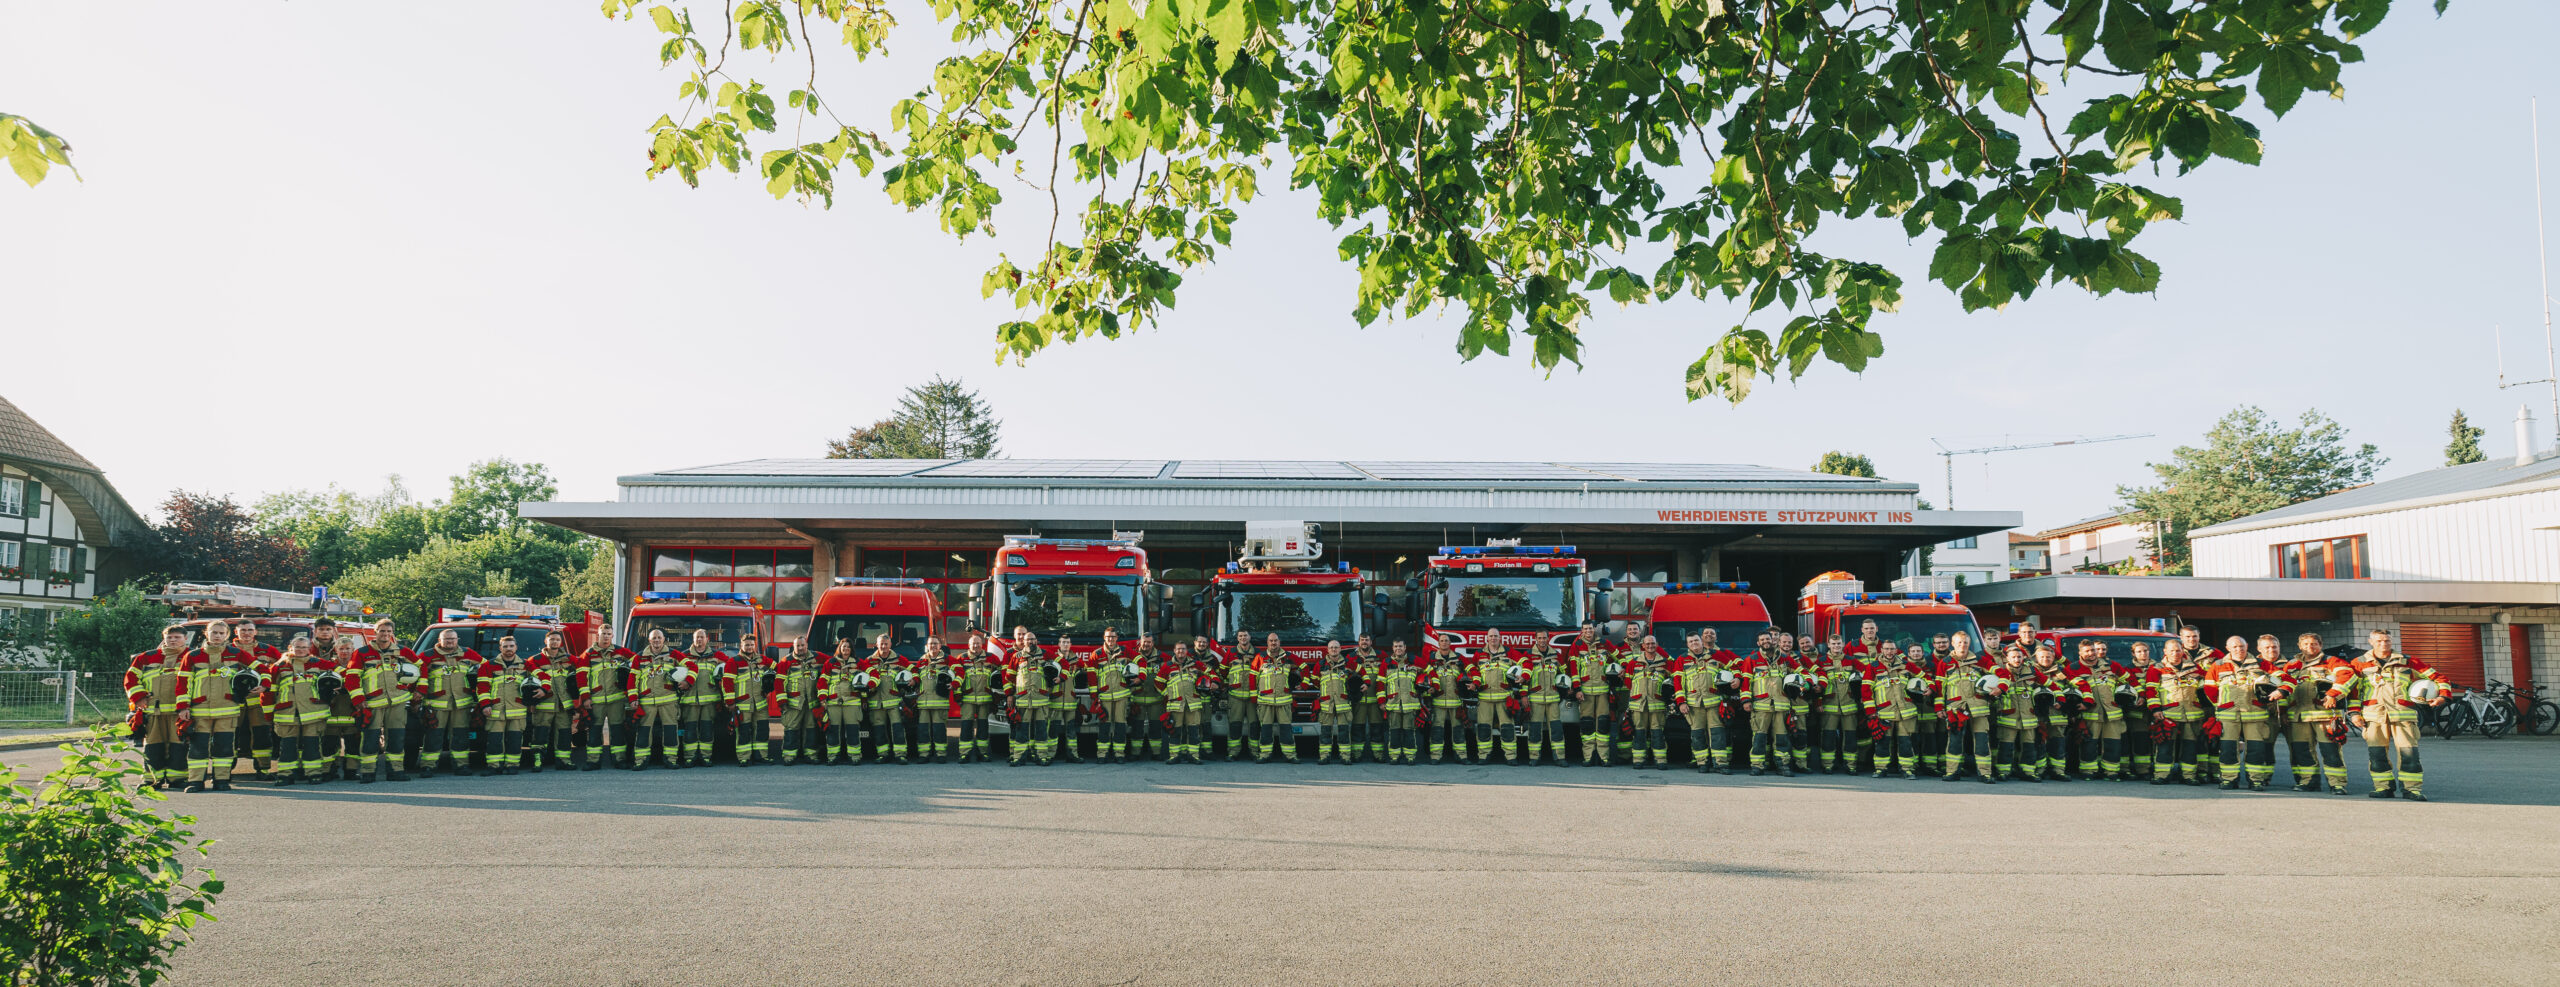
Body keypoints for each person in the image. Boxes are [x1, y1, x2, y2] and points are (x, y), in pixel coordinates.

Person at [2353, 629, 2445, 801]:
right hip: (2373, 716)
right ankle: (2383, 787)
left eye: (2387, 640)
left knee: (2409, 753)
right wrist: (2354, 713)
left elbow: (2438, 678)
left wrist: (2441, 696)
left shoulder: (2408, 661)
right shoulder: (2359, 663)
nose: (2383, 644)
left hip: (2403, 716)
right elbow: (2352, 691)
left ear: (2391, 641)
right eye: (2379, 641)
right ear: (2370, 642)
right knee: (2377, 754)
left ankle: (2412, 789)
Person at [179, 621, 253, 792]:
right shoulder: (192, 655)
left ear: (227, 635)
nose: (217, 636)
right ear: (206, 633)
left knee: (225, 747)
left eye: (221, 633)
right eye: (214, 632)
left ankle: (221, 780)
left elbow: (261, 669)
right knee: (198, 748)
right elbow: (183, 683)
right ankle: (196, 781)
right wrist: (183, 707)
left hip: (227, 709)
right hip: (200, 710)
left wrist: (261, 685)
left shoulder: (236, 653)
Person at [2202, 634, 2279, 791]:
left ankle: (2256, 780)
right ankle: (2229, 779)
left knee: (2256, 749)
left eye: (2241, 646)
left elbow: (2283, 679)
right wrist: (2222, 704)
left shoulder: (2261, 664)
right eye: (2235, 647)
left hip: (2255, 715)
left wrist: (2280, 692)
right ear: (2228, 648)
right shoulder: (2217, 665)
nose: (2239, 649)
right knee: (2228, 749)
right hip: (2228, 716)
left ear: (2247, 647)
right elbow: (2209, 689)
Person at [2281, 633, 2357, 794]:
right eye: (2306, 644)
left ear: (2320, 645)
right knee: (2303, 751)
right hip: (2299, 716)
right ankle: (2308, 782)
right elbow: (2285, 687)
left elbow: (2348, 676)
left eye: (2314, 644)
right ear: (2300, 646)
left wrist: (2332, 694)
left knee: (2330, 751)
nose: (2310, 647)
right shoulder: (2292, 665)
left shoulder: (2332, 661)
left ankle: (2337, 784)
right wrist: (2283, 711)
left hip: (2325, 714)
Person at [341, 623, 416, 783]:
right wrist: (359, 699)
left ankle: (396, 771)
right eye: (382, 631)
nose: (385, 634)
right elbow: (351, 678)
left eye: (389, 631)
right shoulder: (362, 653)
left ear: (392, 633)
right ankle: (368, 772)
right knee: (370, 738)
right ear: (375, 632)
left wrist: (419, 690)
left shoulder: (402, 651)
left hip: (398, 701)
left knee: (396, 737)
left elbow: (420, 668)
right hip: (372, 703)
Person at [262, 634, 337, 786]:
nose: (301, 650)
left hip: (313, 711)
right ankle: (285, 775)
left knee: (312, 745)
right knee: (287, 746)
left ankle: (314, 774)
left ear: (309, 649)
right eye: (298, 647)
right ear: (291, 648)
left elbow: (340, 672)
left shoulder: (319, 663)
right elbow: (269, 692)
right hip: (287, 712)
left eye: (304, 647)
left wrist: (338, 684)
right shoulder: (279, 666)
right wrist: (269, 715)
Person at [417, 629, 481, 776]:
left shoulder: (468, 653)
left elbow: (486, 667)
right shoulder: (427, 656)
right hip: (436, 704)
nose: (450, 642)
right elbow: (416, 675)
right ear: (439, 640)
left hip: (462, 704)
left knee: (460, 736)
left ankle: (461, 765)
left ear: (457, 639)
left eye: (452, 639)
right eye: (446, 639)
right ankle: (428, 766)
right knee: (434, 736)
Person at [2064, 640, 2130, 781]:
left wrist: (2136, 696)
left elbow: (2129, 681)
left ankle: (2111, 772)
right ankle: (2088, 771)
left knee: (2113, 744)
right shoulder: (2073, 668)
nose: (2091, 653)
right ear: (2080, 653)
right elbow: (2070, 689)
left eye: (2093, 650)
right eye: (2087, 651)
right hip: (2090, 713)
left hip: (2113, 713)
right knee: (2089, 744)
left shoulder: (2112, 666)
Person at [1935, 632, 1996, 783]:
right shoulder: (1945, 662)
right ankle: (1952, 772)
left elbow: (2001, 674)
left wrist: (2000, 688)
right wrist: (1939, 708)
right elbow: (1939, 687)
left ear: (1970, 644)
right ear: (1953, 644)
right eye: (1960, 642)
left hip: (1979, 708)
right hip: (1956, 709)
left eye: (1966, 643)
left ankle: (1985, 774)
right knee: (1955, 741)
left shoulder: (1980, 660)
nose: (1963, 645)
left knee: (1982, 741)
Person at [2147, 641, 2210, 785]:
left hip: (2193, 714)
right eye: (2172, 651)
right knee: (2165, 747)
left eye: (2178, 650)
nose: (2175, 653)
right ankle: (2161, 775)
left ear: (2183, 651)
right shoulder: (2156, 669)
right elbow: (2151, 691)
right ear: (2165, 651)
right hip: (2168, 715)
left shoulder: (2194, 668)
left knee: (2190, 747)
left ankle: (2188, 776)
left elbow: (2208, 683)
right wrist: (2155, 709)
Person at [1861, 643, 1927, 779]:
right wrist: (1870, 711)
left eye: (1892, 649)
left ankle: (1907, 769)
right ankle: (1880, 769)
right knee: (1883, 742)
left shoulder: (1906, 665)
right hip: (1884, 711)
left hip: (1906, 711)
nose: (1889, 652)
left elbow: (1925, 677)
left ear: (1896, 650)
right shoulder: (1873, 666)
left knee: (1906, 742)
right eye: (1886, 649)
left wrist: (1929, 688)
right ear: (1882, 650)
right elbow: (1866, 690)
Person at [629, 630, 689, 770]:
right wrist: (633, 698)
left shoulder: (674, 654)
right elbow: (632, 679)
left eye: (659, 638)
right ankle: (641, 760)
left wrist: (688, 682)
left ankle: (671, 760)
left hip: (668, 700)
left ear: (664, 640)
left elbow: (692, 667)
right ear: (649, 641)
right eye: (654, 638)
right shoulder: (639, 657)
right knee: (643, 732)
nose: (656, 640)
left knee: (670, 731)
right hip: (646, 701)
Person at [474, 635, 532, 776]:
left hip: (518, 709)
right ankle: (494, 766)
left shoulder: (526, 665)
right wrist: (485, 705)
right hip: (495, 709)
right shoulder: (488, 665)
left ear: (516, 647)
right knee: (494, 740)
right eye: (505, 646)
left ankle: (512, 765)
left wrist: (533, 700)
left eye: (511, 646)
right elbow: (482, 687)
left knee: (515, 739)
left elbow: (539, 680)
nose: (508, 649)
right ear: (500, 648)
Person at [1737, 632, 1793, 776]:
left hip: (1781, 705)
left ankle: (1783, 766)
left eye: (1767, 639)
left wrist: (1806, 684)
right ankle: (1757, 766)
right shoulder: (1752, 659)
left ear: (1773, 640)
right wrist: (1746, 700)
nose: (1765, 641)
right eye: (1762, 640)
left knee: (1781, 738)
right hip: (1760, 706)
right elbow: (1745, 683)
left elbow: (1801, 671)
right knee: (1759, 738)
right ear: (1758, 643)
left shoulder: (1784, 658)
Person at [579, 628, 636, 770]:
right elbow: (581, 677)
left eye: (609, 634)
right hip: (596, 700)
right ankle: (593, 761)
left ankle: (619, 760)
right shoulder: (588, 654)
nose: (606, 637)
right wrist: (586, 698)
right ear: (598, 635)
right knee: (594, 731)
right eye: (603, 634)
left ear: (612, 635)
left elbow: (638, 661)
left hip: (616, 699)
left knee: (617, 731)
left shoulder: (620, 651)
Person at [231, 621, 281, 778]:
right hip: (232, 700)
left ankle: (263, 769)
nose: (246, 633)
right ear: (235, 632)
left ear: (255, 632)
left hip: (259, 700)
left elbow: (281, 670)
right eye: (243, 630)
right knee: (230, 735)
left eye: (250, 630)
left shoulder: (268, 650)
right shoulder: (227, 650)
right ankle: (224, 770)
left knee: (261, 734)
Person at [523, 631, 578, 772]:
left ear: (561, 642)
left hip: (563, 705)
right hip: (543, 704)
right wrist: (531, 704)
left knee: (564, 734)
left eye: (557, 639)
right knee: (540, 734)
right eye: (552, 639)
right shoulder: (534, 660)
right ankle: (537, 761)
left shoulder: (569, 659)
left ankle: (564, 761)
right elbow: (528, 683)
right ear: (545, 641)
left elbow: (582, 673)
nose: (554, 642)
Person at [1673, 633, 1727, 774]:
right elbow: (1678, 683)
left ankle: (1720, 764)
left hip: (1714, 703)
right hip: (1693, 704)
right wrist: (1681, 702)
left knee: (1717, 734)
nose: (1694, 643)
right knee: (1697, 735)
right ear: (1687, 645)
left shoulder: (1716, 656)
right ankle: (1702, 763)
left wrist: (1737, 679)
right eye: (1690, 641)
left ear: (1702, 641)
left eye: (1696, 640)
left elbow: (1734, 667)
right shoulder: (1681, 660)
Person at [1814, 635, 1866, 774]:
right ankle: (1827, 765)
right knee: (1828, 737)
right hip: (1828, 706)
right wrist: (1818, 702)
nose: (1836, 646)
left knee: (1850, 737)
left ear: (1843, 644)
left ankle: (1851, 766)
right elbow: (1817, 684)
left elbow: (1867, 675)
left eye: (1838, 643)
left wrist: (1862, 696)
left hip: (1849, 705)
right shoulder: (1821, 661)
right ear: (1828, 645)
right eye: (1833, 644)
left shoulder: (1851, 660)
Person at [723, 633, 775, 766]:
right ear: (741, 645)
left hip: (760, 703)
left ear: (755, 645)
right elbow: (727, 683)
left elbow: (778, 669)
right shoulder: (733, 661)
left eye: (752, 645)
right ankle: (744, 758)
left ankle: (761, 756)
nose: (749, 647)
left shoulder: (763, 660)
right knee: (743, 731)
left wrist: (770, 684)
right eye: (747, 644)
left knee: (762, 730)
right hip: (743, 704)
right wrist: (730, 703)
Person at [677, 629, 725, 767]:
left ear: (707, 639)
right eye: (697, 637)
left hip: (709, 701)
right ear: (693, 639)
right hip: (689, 700)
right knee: (690, 730)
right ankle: (689, 758)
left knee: (707, 730)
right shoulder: (684, 656)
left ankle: (706, 757)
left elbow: (730, 667)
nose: (699, 640)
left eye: (701, 637)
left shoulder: (717, 655)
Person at [774, 637, 825, 765]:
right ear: (794, 647)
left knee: (811, 729)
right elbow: (779, 682)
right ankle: (789, 756)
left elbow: (834, 662)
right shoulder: (786, 661)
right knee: (791, 728)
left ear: (807, 645)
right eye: (798, 646)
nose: (801, 648)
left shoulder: (818, 657)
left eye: (803, 645)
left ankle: (811, 755)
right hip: (793, 702)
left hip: (812, 702)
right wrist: (782, 701)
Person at [821, 637, 870, 766]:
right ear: (839, 648)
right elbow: (822, 682)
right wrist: (822, 699)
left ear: (851, 649)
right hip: (833, 702)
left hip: (852, 702)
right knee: (833, 731)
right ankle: (832, 757)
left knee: (853, 731)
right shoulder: (830, 663)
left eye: (848, 647)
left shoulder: (859, 663)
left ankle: (854, 756)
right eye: (844, 647)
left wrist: (865, 694)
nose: (846, 649)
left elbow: (870, 677)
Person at [954, 634, 1002, 764]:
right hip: (967, 700)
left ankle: (983, 753)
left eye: (978, 643)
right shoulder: (961, 658)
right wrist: (957, 695)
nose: (976, 646)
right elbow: (955, 677)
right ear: (968, 645)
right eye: (973, 643)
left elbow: (1001, 673)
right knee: (966, 727)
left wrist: (997, 695)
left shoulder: (991, 658)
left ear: (982, 644)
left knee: (983, 728)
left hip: (985, 700)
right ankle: (965, 754)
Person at [1519, 637, 1568, 765]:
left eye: (1544, 638)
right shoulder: (1528, 655)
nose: (1542, 640)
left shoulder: (1556, 655)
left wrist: (1568, 685)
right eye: (1539, 638)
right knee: (1535, 729)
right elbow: (1524, 677)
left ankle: (1560, 757)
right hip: (1535, 698)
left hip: (1553, 699)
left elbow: (1565, 672)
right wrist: (1524, 695)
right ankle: (1534, 758)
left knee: (1556, 729)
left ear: (1548, 639)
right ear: (1536, 639)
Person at [1008, 631, 1054, 766]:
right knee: (1021, 731)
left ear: (1036, 640)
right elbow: (1009, 677)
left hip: (1041, 700)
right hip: (1023, 700)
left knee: (1041, 731)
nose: (1030, 642)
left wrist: (1059, 678)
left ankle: (1042, 757)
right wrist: (1010, 694)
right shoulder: (1016, 656)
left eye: (1032, 639)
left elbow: (1062, 665)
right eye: (1028, 640)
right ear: (1023, 642)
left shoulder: (1046, 654)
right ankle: (1019, 757)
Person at [1253, 633, 1296, 763]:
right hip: (1265, 701)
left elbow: (1304, 668)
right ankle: (1265, 755)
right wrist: (1253, 695)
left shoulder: (1289, 657)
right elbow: (1252, 676)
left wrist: (1303, 684)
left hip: (1284, 701)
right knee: (1265, 729)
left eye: (1275, 640)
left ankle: (1290, 755)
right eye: (1271, 641)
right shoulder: (1260, 657)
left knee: (1286, 729)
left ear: (1279, 642)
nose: (1273, 643)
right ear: (1267, 643)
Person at [1161, 642, 1206, 764]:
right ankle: (1174, 756)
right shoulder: (1167, 666)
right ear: (1174, 651)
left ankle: (1194, 756)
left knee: (1193, 731)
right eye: (1178, 649)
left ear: (1187, 651)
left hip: (1193, 704)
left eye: (1183, 649)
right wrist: (1167, 694)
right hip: (1176, 705)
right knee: (1175, 732)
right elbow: (1158, 682)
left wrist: (1213, 683)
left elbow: (1210, 673)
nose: (1181, 651)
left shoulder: (1196, 665)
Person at [1381, 640, 1423, 765]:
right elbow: (1380, 684)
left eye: (1400, 646)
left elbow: (1429, 672)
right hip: (1393, 704)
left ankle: (1410, 757)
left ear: (1405, 647)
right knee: (1394, 732)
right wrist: (1381, 702)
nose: (1398, 648)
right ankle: (1394, 756)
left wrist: (1431, 686)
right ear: (1392, 648)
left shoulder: (1414, 661)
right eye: (1396, 646)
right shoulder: (1386, 663)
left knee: (1409, 731)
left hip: (1410, 704)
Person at [1313, 641, 1354, 764]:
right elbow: (1315, 681)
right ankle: (1324, 756)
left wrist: (1365, 683)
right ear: (1327, 650)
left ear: (1340, 649)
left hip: (1343, 703)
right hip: (1327, 704)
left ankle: (1345, 757)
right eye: (1331, 648)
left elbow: (1361, 673)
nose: (1334, 650)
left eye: (1336, 647)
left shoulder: (1348, 663)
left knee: (1344, 732)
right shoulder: (1320, 664)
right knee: (1325, 732)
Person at [1128, 634, 1167, 762]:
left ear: (1153, 643)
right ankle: (1135, 753)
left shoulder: (1163, 658)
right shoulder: (1133, 656)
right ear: (1140, 642)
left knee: (1155, 727)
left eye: (1149, 642)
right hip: (1137, 700)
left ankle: (1156, 753)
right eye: (1144, 642)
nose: (1146, 644)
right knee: (1137, 728)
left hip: (1156, 700)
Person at [1425, 647, 1468, 763]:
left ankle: (1461, 756)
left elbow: (1471, 669)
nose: (1444, 642)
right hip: (1438, 701)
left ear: (1450, 643)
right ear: (1438, 644)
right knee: (1437, 730)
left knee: (1458, 730)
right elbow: (1424, 675)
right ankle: (1435, 756)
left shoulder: (1459, 658)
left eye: (1446, 640)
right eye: (1442, 640)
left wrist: (1472, 683)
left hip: (1455, 701)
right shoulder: (1431, 659)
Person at [1349, 634, 1386, 763]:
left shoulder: (1381, 656)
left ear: (1371, 642)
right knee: (1357, 728)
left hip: (1376, 700)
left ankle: (1378, 755)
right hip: (1358, 700)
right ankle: (1356, 754)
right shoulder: (1351, 657)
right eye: (1362, 640)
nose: (1365, 642)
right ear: (1358, 642)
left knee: (1377, 728)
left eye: (1367, 640)